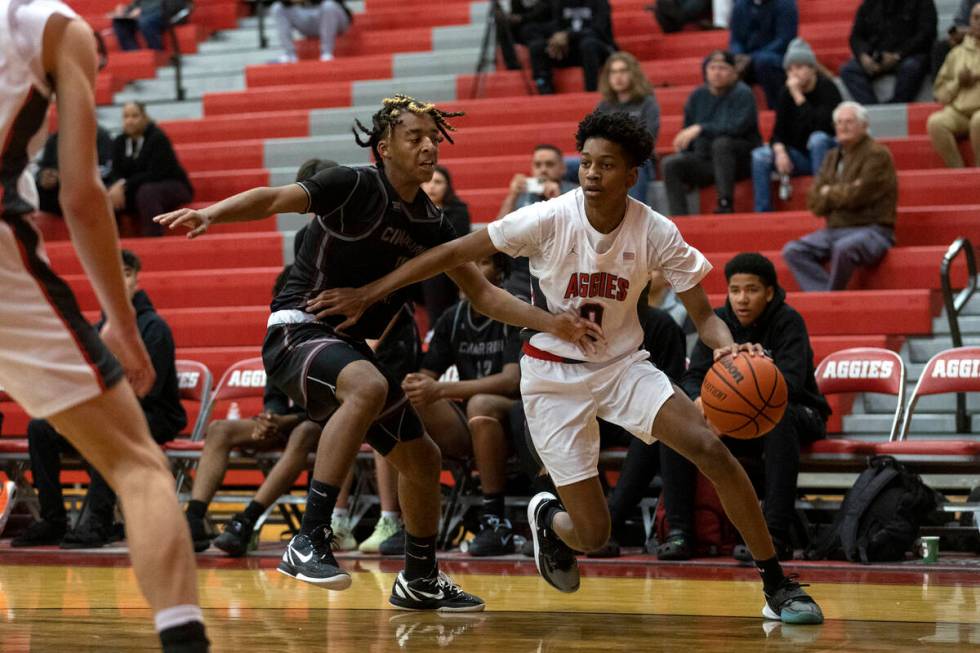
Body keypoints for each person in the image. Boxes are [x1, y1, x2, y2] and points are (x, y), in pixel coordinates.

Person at [312, 110, 824, 624]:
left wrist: (728, 349)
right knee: (594, 536)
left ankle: (776, 583)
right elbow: (452, 252)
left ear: (631, 175)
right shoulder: (549, 217)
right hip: (552, 379)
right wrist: (370, 291)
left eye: (607, 165)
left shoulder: (656, 230)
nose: (593, 174)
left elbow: (706, 319)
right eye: (587, 164)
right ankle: (547, 516)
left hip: (623, 367)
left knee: (711, 448)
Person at [155, 94, 599, 611]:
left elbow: (482, 293)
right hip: (296, 328)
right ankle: (310, 538)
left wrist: (554, 323)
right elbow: (273, 198)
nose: (429, 145)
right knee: (367, 385)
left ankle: (419, 577)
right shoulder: (352, 184)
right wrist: (211, 213)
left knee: (423, 458)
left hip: (346, 347)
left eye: (434, 137)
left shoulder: (431, 221)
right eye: (415, 137)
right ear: (384, 146)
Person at [0, 2, 208, 650]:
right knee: (137, 463)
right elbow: (83, 195)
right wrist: (121, 320)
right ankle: (184, 641)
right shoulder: (56, 28)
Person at [657, 253, 830, 562]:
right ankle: (679, 531)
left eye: (751, 290)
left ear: (769, 292)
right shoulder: (718, 322)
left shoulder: (788, 321)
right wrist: (703, 403)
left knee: (779, 417)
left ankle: (774, 534)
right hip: (736, 419)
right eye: (735, 290)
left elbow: (789, 384)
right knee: (678, 424)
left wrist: (736, 400)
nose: (742, 298)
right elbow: (693, 376)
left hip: (798, 411)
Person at [15, 249, 187, 549]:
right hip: (110, 414)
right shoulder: (95, 331)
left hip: (154, 414)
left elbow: (147, 390)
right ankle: (53, 519)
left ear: (137, 279)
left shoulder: (154, 328)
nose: (120, 281)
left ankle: (99, 520)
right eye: (112, 274)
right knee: (41, 426)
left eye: (127, 273)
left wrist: (91, 417)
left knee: (106, 430)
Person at [402, 252, 523, 557]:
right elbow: (426, 376)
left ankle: (495, 519)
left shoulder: (515, 309)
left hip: (520, 418)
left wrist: (441, 389)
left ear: (500, 272)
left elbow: (512, 381)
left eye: (481, 262)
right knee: (404, 403)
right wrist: (413, 385)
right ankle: (405, 522)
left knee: (481, 404)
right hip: (475, 424)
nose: (471, 268)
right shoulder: (452, 317)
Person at [782, 101, 898, 292]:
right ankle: (825, 295)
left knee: (844, 248)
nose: (842, 127)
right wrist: (842, 190)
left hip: (874, 229)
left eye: (849, 122)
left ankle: (833, 297)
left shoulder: (878, 155)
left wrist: (829, 191)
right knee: (793, 251)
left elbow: (859, 196)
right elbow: (814, 202)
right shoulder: (831, 156)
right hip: (835, 229)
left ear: (864, 126)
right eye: (839, 122)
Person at [662, 50, 761, 215]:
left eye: (722, 68)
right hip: (706, 160)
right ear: (706, 71)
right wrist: (685, 150)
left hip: (739, 162)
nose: (716, 72)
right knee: (670, 164)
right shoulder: (697, 95)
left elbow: (736, 128)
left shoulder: (743, 93)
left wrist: (701, 128)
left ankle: (725, 203)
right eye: (712, 68)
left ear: (734, 73)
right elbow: (688, 132)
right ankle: (678, 218)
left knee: (721, 143)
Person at [750, 38, 841, 212]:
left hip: (826, 154)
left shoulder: (827, 88)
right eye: (790, 69)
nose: (794, 73)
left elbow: (820, 125)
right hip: (798, 155)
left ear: (812, 68)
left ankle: (821, 199)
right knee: (759, 156)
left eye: (799, 67)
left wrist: (799, 96)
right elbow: (778, 132)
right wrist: (780, 151)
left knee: (817, 139)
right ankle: (762, 213)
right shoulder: (786, 93)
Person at [497, 144, 578, 301]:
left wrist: (557, 198)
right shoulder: (522, 193)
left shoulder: (574, 193)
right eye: (538, 165)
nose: (543, 169)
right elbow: (499, 231)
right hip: (523, 270)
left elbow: (579, 231)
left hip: (563, 269)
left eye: (549, 164)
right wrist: (512, 196)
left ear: (562, 168)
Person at [107, 102, 194, 237]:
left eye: (134, 116)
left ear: (145, 117)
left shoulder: (157, 138)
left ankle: (154, 238)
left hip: (173, 186)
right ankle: (112, 241)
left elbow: (157, 173)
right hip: (136, 189)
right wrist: (116, 186)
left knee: (147, 192)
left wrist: (124, 184)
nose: (129, 121)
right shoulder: (119, 141)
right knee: (108, 194)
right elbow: (115, 171)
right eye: (126, 116)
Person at [838, 0, 937, 106]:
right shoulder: (869, 4)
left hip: (909, 54)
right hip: (876, 56)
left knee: (912, 67)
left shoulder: (922, 3)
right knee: (848, 70)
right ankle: (874, 109)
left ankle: (897, 105)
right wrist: (863, 56)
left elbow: (926, 34)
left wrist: (898, 55)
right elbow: (856, 36)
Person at [595, 52, 661, 203]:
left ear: (633, 74)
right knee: (564, 166)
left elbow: (648, 138)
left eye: (623, 71)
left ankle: (631, 220)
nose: (618, 77)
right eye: (613, 72)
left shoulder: (647, 103)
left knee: (635, 167)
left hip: (637, 159)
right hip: (606, 158)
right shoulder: (604, 106)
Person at [927, 2, 980, 169]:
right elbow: (940, 92)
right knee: (936, 122)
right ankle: (957, 171)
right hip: (960, 111)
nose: (978, 22)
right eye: (975, 18)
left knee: (979, 121)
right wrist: (958, 82)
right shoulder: (957, 52)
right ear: (969, 21)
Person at [525, 0, 616, 94]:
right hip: (569, 51)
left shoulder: (600, 3)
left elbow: (599, 31)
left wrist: (569, 35)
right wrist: (555, 39)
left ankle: (591, 91)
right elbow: (556, 26)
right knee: (537, 46)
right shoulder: (560, 3)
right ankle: (544, 89)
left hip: (598, 50)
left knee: (588, 44)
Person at [421, 165, 471, 326]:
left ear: (447, 187)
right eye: (428, 181)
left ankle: (435, 329)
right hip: (416, 270)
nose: (432, 186)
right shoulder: (410, 209)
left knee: (434, 272)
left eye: (438, 182)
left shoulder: (459, 211)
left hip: (447, 271)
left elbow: (454, 246)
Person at [728, 0, 798, 109]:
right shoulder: (740, 5)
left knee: (764, 61)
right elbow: (735, 39)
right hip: (747, 58)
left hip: (776, 56)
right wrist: (738, 55)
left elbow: (785, 39)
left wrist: (751, 58)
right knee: (717, 64)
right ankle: (730, 110)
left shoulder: (786, 4)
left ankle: (777, 107)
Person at [34, 126, 114, 216]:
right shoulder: (54, 138)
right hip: (59, 188)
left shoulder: (101, 136)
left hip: (87, 186)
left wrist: (67, 177)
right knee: (39, 191)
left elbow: (105, 169)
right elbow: (43, 167)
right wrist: (43, 176)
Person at [270, 0, 352, 63]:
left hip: (336, 21)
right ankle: (290, 54)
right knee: (277, 8)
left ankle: (327, 53)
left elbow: (337, 4)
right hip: (308, 19)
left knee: (329, 5)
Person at [494, 0, 552, 71]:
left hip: (542, 24)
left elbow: (545, 10)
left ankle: (541, 71)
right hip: (522, 25)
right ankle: (512, 65)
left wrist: (522, 18)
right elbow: (515, 12)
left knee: (530, 31)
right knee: (503, 26)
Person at [931, 0, 980, 78]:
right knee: (942, 45)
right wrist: (971, 31)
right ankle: (941, 84)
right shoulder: (970, 1)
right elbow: (958, 26)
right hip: (970, 38)